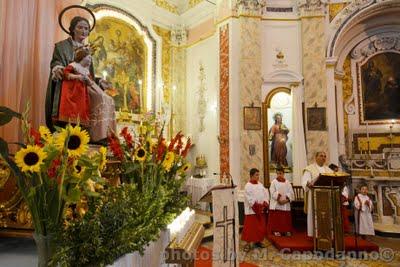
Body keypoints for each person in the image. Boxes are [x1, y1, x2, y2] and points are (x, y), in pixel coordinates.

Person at [45, 16, 115, 142]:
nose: (84, 31)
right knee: (65, 125)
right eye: (80, 27)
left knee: (101, 104)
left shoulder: (87, 51)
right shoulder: (61, 46)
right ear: (72, 29)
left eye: (86, 28)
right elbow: (56, 62)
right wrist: (58, 68)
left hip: (82, 92)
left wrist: (99, 82)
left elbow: (89, 74)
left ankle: (99, 135)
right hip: (67, 90)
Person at [301, 152, 333, 237]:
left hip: (326, 196)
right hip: (314, 196)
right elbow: (305, 182)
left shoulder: (329, 170)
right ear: (316, 157)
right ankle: (314, 235)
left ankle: (326, 234)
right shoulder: (309, 169)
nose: (323, 158)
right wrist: (308, 183)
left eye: (325, 156)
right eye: (321, 156)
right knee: (314, 215)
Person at [242, 168, 269, 251]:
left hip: (260, 209)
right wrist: (258, 207)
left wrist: (265, 203)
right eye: (256, 175)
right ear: (251, 176)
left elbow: (265, 194)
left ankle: (258, 241)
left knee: (259, 228)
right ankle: (247, 243)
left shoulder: (260, 185)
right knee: (250, 228)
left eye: (258, 175)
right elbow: (249, 199)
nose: (258, 177)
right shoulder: (247, 186)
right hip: (252, 210)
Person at [267, 166, 294, 236]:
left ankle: (286, 230)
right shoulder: (273, 182)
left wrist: (286, 200)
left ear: (283, 174)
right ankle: (276, 230)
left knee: (285, 218)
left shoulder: (287, 182)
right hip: (277, 203)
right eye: (278, 173)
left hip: (285, 203)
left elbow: (291, 193)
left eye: (281, 173)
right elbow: (272, 192)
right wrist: (278, 199)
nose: (279, 175)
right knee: (277, 218)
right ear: (276, 174)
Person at [329, 163, 351, 233]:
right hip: (331, 200)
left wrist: (342, 198)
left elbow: (344, 190)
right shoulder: (327, 178)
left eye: (337, 171)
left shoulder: (340, 179)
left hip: (340, 200)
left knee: (342, 216)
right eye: (334, 171)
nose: (336, 173)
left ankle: (343, 230)